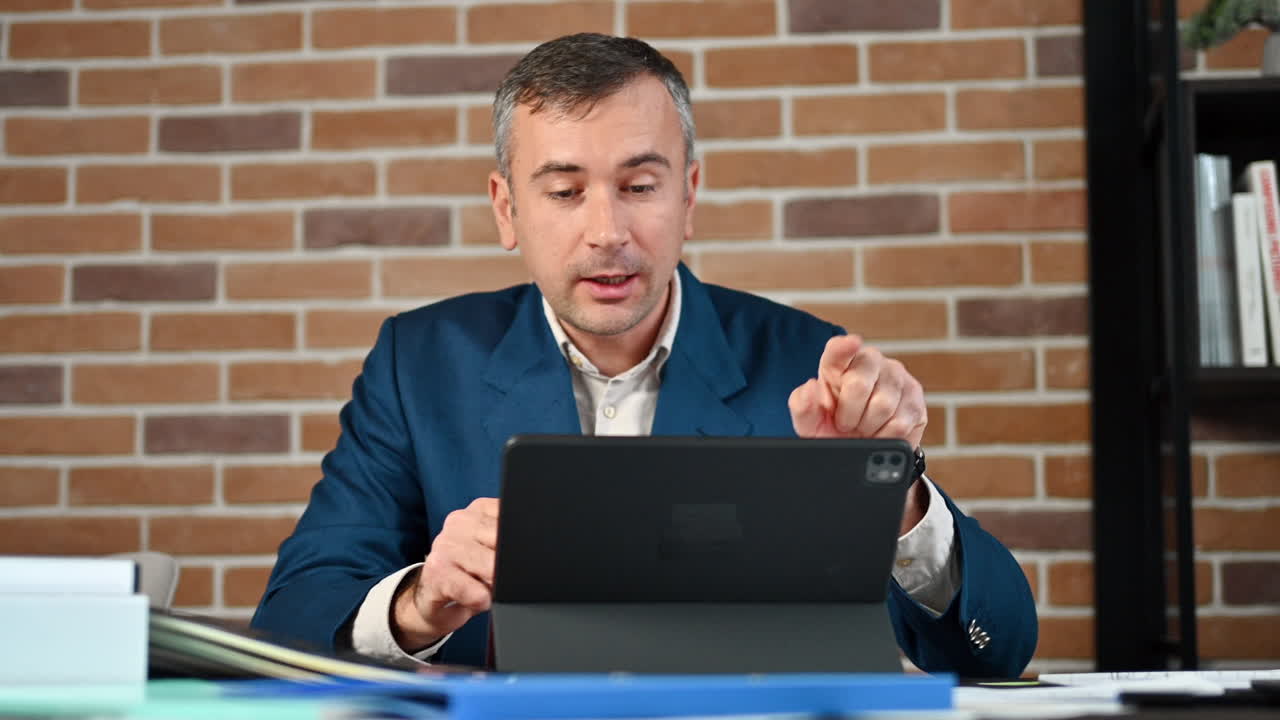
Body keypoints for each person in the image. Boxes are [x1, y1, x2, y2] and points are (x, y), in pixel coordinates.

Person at [252, 33, 1037, 678]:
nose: (606, 232)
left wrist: (894, 491)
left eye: (640, 186)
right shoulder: (418, 363)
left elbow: (994, 651)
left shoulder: (810, 366)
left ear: (688, 197)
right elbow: (290, 621)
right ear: (507, 209)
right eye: (564, 192)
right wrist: (421, 602)